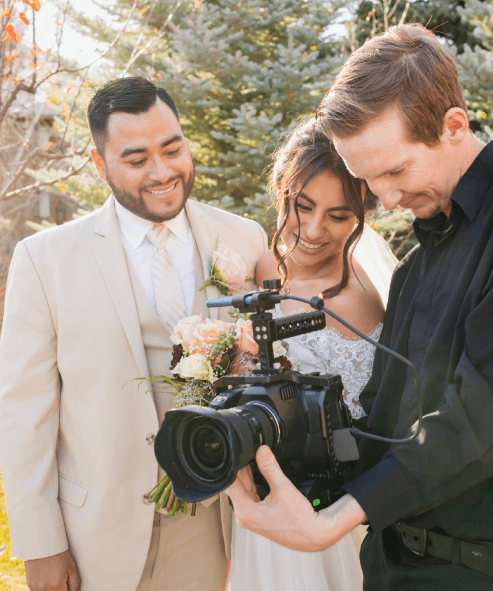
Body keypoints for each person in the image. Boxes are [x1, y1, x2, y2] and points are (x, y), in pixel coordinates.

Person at [224, 24, 493, 591]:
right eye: (369, 180)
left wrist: (337, 519)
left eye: (395, 171)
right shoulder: (416, 269)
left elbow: (490, 406)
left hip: (491, 572)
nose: (389, 199)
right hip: (390, 564)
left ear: (454, 125)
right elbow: (380, 417)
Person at [0, 77, 268, 591]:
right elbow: (23, 415)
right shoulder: (44, 260)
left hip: (223, 529)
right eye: (137, 159)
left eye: (173, 148)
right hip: (99, 535)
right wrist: (40, 545)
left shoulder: (243, 238)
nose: (163, 172)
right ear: (101, 166)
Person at [228, 119, 398, 591]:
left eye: (339, 216)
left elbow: (368, 420)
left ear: (364, 217)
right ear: (282, 189)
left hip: (321, 507)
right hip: (263, 505)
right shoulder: (266, 266)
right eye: (302, 206)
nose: (313, 230)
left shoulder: (355, 296)